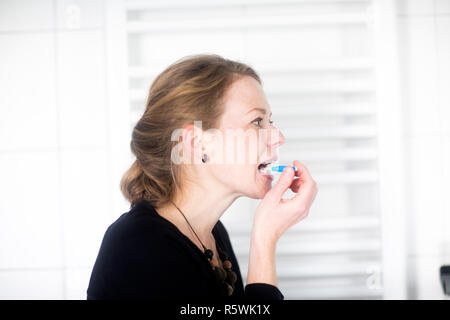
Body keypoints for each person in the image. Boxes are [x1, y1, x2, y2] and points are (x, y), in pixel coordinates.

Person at [87, 54, 318, 300]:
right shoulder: (139, 246)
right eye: (257, 121)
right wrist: (264, 239)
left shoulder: (214, 235)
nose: (278, 137)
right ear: (198, 143)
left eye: (269, 121)